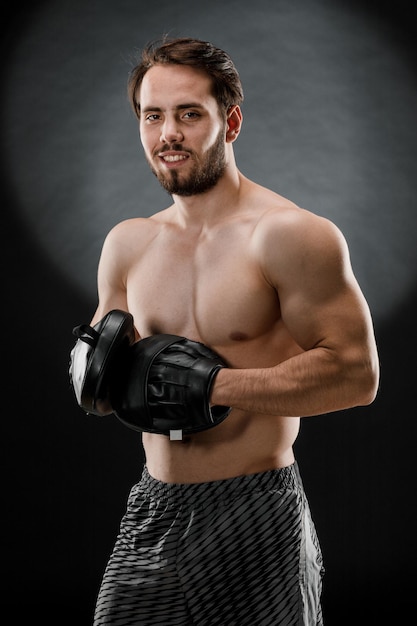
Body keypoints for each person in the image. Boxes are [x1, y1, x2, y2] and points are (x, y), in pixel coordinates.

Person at [85, 36, 379, 625]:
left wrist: (211, 385)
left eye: (189, 114)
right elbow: (105, 373)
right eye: (153, 115)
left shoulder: (290, 235)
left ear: (231, 122)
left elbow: (355, 374)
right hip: (155, 505)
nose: (169, 133)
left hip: (255, 510)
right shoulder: (128, 244)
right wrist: (95, 375)